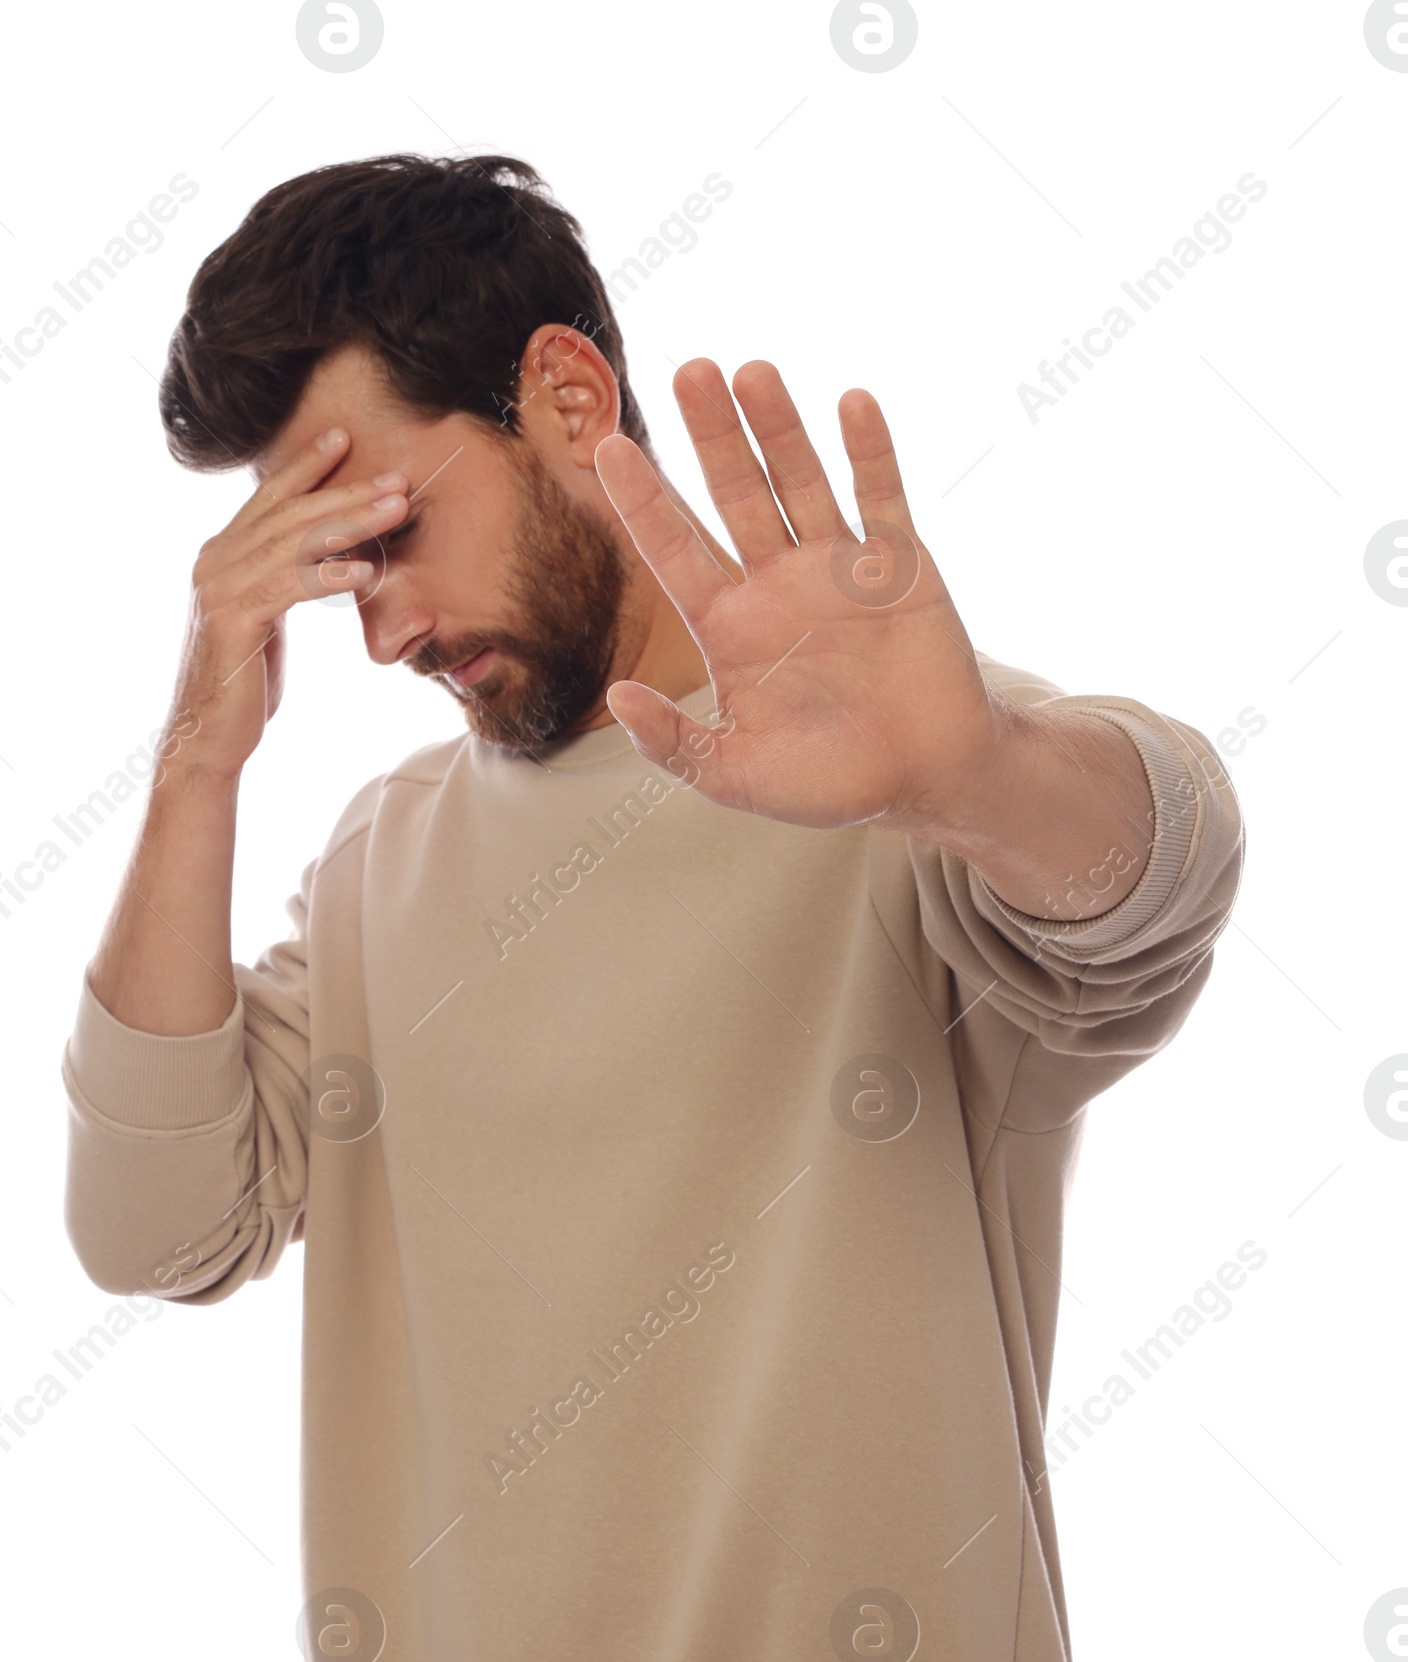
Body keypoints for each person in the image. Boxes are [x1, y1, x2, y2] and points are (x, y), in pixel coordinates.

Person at [61, 152, 1244, 1661]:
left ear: (564, 399)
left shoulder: (895, 782)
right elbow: (154, 1230)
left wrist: (978, 774)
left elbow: (1151, 889)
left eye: (394, 531)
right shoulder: (379, 869)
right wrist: (196, 765)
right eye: (334, 573)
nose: (383, 632)